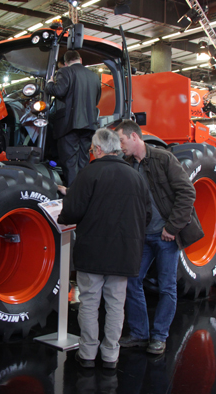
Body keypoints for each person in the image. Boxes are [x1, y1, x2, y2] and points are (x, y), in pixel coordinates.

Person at [58, 128, 151, 369]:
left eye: (91, 149)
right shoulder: (135, 176)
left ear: (98, 150)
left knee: (89, 303)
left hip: (93, 252)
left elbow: (72, 212)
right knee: (115, 305)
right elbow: (147, 214)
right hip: (124, 255)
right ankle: (111, 354)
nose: (91, 153)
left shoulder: (89, 174)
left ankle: (88, 354)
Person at [115, 119, 203, 355]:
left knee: (167, 287)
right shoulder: (127, 164)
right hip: (142, 237)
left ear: (134, 137)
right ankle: (139, 333)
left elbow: (187, 192)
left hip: (166, 237)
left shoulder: (164, 159)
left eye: (121, 140)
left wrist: (172, 228)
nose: (119, 145)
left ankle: (160, 336)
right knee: (132, 281)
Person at [46, 50, 101, 186]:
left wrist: (50, 83)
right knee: (83, 160)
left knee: (70, 161)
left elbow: (59, 91)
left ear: (65, 63)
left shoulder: (65, 71)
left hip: (69, 125)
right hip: (89, 124)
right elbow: (97, 99)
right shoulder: (94, 76)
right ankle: (83, 190)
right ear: (80, 60)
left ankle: (73, 193)